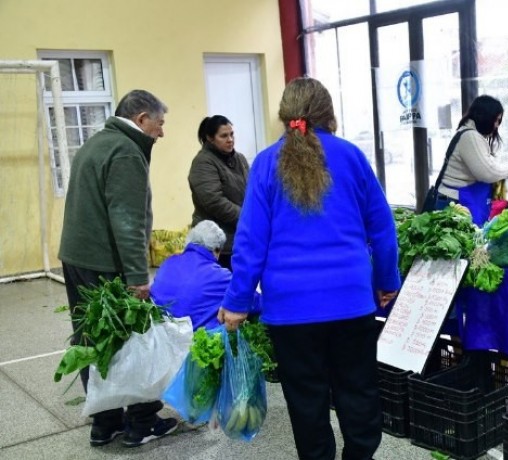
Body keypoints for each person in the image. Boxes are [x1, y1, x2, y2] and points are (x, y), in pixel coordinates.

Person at [218, 77, 401, 460]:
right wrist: (386, 281)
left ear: (286, 116)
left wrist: (237, 300)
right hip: (351, 302)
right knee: (359, 391)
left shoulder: (267, 162)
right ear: (327, 113)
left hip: (290, 310)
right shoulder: (351, 156)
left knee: (307, 400)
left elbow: (251, 241)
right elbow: (383, 229)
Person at [57, 89, 178, 448]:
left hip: (77, 257)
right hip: (105, 264)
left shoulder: (97, 143)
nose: (161, 132)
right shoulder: (126, 151)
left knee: (91, 340)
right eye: (160, 123)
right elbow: (127, 220)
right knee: (131, 341)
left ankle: (105, 422)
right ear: (141, 119)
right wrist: (138, 278)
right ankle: (141, 422)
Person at [150, 220, 259, 330]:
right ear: (217, 250)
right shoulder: (220, 276)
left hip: (160, 335)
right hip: (193, 340)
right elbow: (255, 301)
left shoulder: (167, 263)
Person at [435, 95, 508, 225]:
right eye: (496, 120)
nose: (496, 126)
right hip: (454, 201)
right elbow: (487, 172)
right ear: (485, 117)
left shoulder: (470, 134)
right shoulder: (470, 136)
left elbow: (487, 166)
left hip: (456, 198)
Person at [188, 115, 250, 271]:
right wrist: (247, 217)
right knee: (220, 290)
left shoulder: (240, 159)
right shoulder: (203, 162)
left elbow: (251, 190)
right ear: (210, 138)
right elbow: (214, 201)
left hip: (239, 238)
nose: (230, 139)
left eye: (231, 134)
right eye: (223, 136)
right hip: (215, 244)